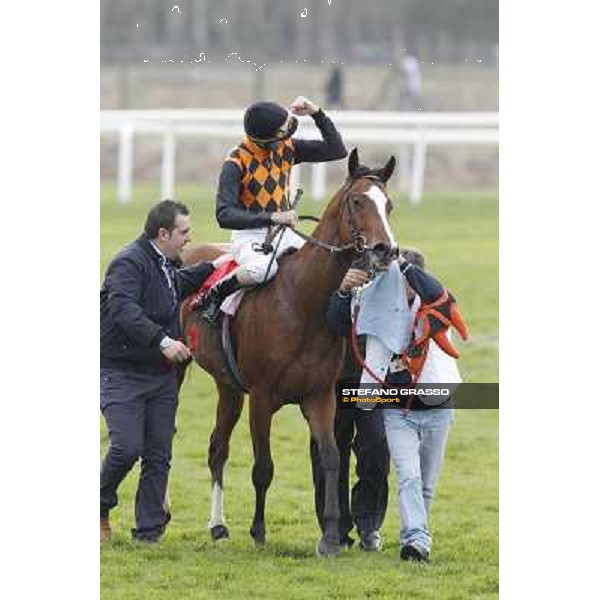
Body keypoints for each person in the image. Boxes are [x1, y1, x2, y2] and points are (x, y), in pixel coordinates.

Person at [325, 248, 466, 562]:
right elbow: (336, 322)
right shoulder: (375, 303)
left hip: (438, 405)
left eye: (398, 280)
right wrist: (344, 290)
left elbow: (435, 291)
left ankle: (418, 533)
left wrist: (402, 266)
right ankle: (415, 542)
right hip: (397, 410)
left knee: (426, 484)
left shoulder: (436, 303)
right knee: (409, 476)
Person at [100, 200, 224, 543]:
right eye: (184, 232)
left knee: (158, 454)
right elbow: (124, 309)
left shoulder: (164, 262)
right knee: (126, 448)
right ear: (163, 233)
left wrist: (218, 265)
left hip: (159, 376)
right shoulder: (128, 263)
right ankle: (98, 504)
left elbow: (175, 285)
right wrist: (163, 341)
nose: (189, 237)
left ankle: (149, 533)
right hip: (121, 372)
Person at [199, 95, 347, 323]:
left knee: (323, 264)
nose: (288, 137)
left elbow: (337, 150)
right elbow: (224, 214)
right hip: (249, 236)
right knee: (262, 270)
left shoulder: (286, 148)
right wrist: (273, 217)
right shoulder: (236, 162)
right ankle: (216, 293)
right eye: (282, 133)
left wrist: (317, 113)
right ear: (265, 140)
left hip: (285, 233)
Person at [309, 267, 389, 552]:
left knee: (376, 446)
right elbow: (332, 322)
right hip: (332, 378)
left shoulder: (388, 263)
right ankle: (335, 529)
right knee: (329, 452)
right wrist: (342, 291)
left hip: (373, 376)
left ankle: (369, 524)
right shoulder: (329, 264)